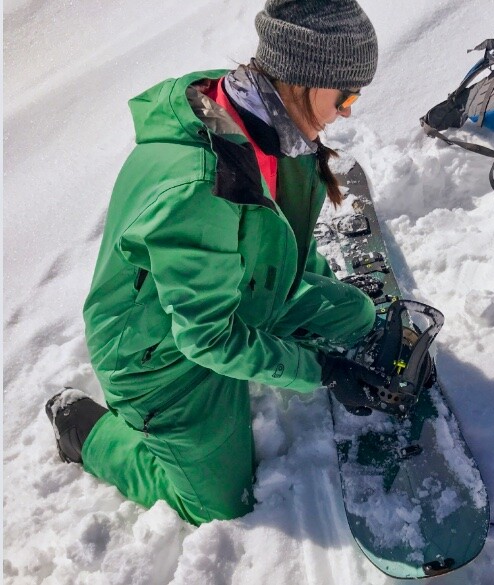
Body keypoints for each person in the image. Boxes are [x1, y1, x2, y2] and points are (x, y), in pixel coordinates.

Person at [44, 0, 387, 526]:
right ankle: (83, 430)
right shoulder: (201, 187)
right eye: (346, 95)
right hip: (160, 359)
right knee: (220, 507)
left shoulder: (263, 120)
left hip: (239, 297)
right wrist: (317, 369)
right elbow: (206, 340)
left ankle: (285, 349)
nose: (348, 110)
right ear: (304, 77)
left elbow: (278, 235)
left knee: (356, 318)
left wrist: (321, 300)